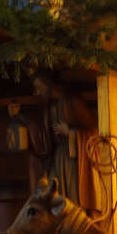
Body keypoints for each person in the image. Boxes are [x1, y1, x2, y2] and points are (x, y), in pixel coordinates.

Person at [20, 73, 100, 215]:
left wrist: (71, 133)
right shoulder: (49, 107)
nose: (36, 93)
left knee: (73, 198)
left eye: (39, 88)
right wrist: (20, 117)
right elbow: (43, 132)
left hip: (74, 159)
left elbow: (94, 130)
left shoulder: (72, 101)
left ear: (50, 85)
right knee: (53, 194)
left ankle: (74, 229)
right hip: (58, 156)